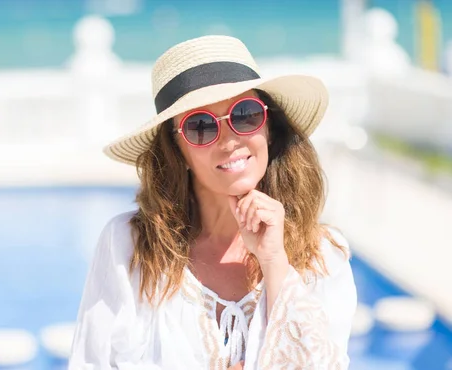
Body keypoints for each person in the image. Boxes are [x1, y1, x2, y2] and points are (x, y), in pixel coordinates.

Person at [69, 35, 357, 370]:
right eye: (201, 126)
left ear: (270, 129)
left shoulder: (324, 257)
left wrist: (275, 262)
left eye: (245, 114)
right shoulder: (129, 249)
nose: (230, 140)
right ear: (177, 151)